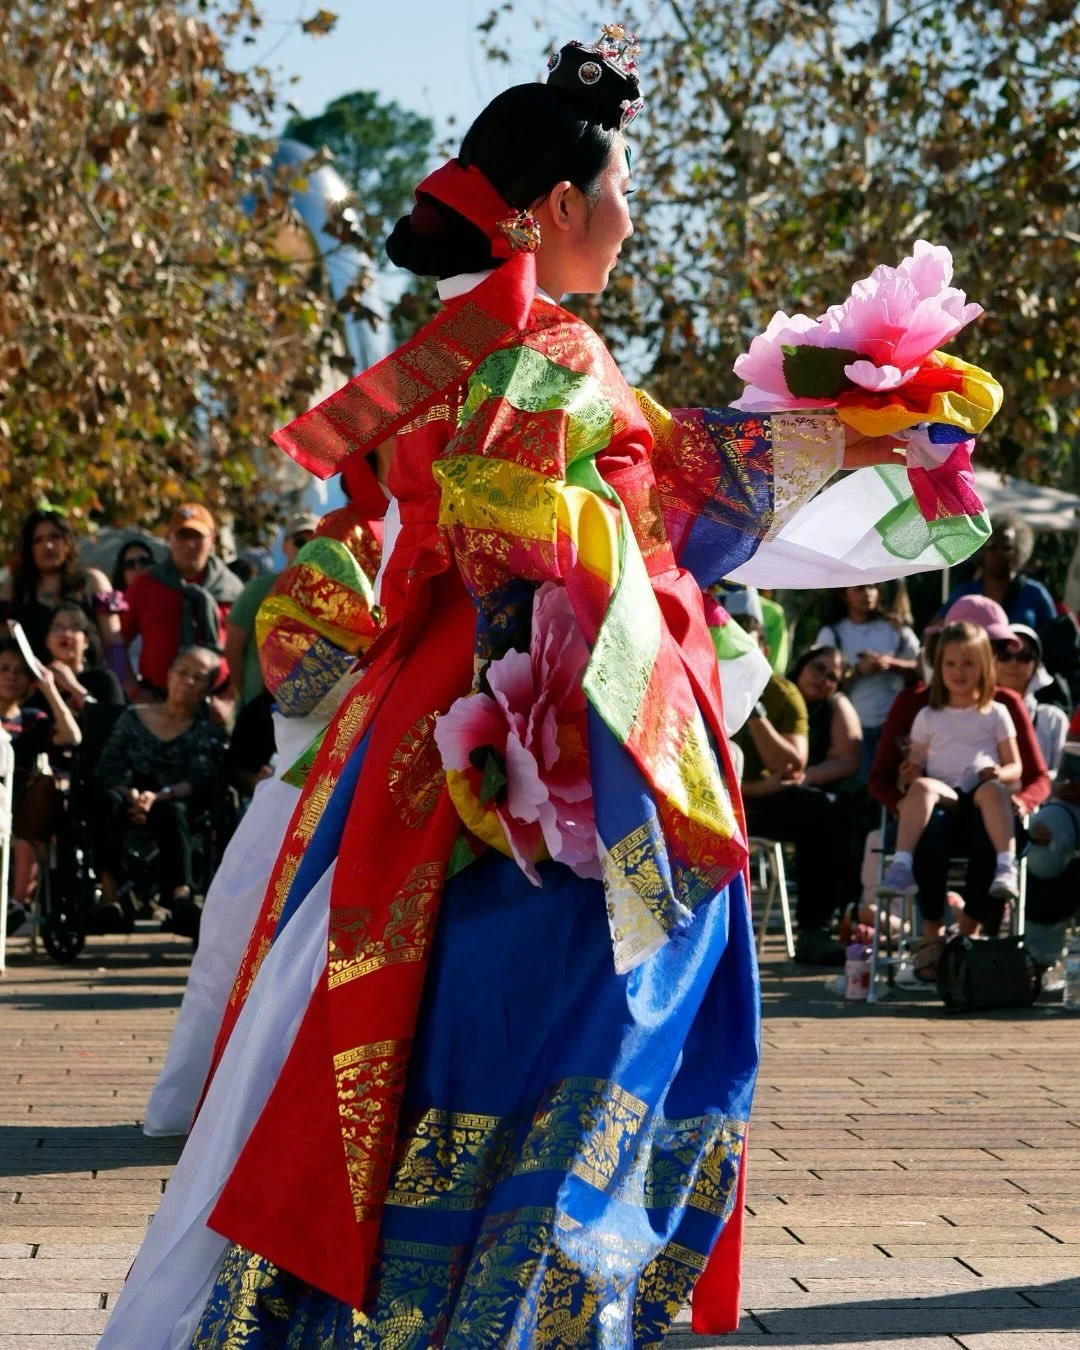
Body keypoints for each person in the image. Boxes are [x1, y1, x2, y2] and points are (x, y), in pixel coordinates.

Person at [101, 35, 996, 1349]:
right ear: (564, 207)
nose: (634, 220)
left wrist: (853, 427)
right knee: (591, 1008)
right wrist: (584, 699)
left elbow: (660, 477)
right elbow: (533, 511)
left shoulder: (497, 341)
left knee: (418, 1034)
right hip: (537, 737)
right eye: (622, 191)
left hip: (449, 728)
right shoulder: (545, 345)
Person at [142, 461, 388, 1137]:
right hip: (299, 802)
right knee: (233, 952)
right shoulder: (330, 556)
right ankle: (203, 1108)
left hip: (386, 806)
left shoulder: (445, 547)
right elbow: (298, 685)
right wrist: (392, 656)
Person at [870, 597, 1051, 981]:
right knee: (929, 832)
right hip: (936, 806)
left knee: (991, 832)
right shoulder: (918, 705)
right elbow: (882, 777)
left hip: (988, 805)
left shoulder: (1002, 704)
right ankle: (933, 937)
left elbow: (1033, 775)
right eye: (998, 648)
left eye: (990, 652)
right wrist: (904, 798)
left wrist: (1015, 799)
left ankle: (966, 938)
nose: (1004, 659)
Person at [735, 629, 856, 965]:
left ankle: (815, 930)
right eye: (819, 668)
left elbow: (792, 763)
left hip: (761, 800)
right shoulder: (695, 673)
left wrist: (754, 711)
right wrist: (760, 788)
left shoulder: (784, 695)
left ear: (765, 649)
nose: (825, 679)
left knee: (825, 812)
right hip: (712, 795)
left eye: (834, 675)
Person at [880, 620, 1022, 902]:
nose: (958, 672)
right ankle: (901, 865)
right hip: (945, 795)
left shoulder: (997, 713)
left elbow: (1015, 766)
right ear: (939, 666)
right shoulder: (928, 716)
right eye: (950, 664)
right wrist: (909, 770)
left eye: (968, 663)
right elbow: (917, 764)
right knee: (920, 786)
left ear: (983, 666)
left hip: (982, 792)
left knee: (994, 791)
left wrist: (997, 773)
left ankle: (1007, 865)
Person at [94, 647, 226, 937]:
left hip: (174, 803)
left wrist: (157, 797)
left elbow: (201, 778)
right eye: (182, 672)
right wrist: (132, 795)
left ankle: (180, 896)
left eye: (199, 677)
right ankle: (109, 895)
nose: (188, 681)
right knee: (104, 801)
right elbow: (109, 767)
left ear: (208, 687)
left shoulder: (206, 732)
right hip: (125, 798)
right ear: (169, 675)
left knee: (174, 812)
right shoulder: (133, 718)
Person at [120, 503, 242, 703]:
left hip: (216, 707)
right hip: (157, 704)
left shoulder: (232, 590)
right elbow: (115, 644)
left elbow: (252, 655)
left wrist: (230, 700)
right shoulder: (147, 585)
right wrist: (133, 689)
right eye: (182, 536)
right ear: (169, 539)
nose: (190, 545)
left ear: (212, 539)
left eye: (197, 537)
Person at [0, 638, 81, 931]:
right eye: (3, 668)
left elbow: (72, 737)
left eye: (19, 671)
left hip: (22, 811)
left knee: (28, 828)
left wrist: (49, 686)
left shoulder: (33, 720)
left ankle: (15, 907)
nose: (10, 675)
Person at [0, 509, 126, 673]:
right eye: (37, 540)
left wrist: (125, 684)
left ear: (68, 541)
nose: (48, 545)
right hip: (33, 691)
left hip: (88, 687)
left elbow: (113, 643)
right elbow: (3, 646)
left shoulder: (92, 582)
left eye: (55, 537)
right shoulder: (14, 587)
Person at [816, 583, 919, 779]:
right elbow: (821, 683)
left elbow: (922, 668)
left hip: (896, 727)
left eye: (873, 587)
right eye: (859, 589)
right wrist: (857, 671)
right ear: (843, 594)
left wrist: (890, 663)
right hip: (853, 729)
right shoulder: (832, 633)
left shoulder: (895, 628)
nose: (868, 594)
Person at [223, 513, 319, 711]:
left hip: (308, 713)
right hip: (259, 707)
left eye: (317, 542)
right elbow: (233, 644)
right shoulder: (258, 589)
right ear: (285, 546)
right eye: (301, 541)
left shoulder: (329, 597)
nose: (308, 548)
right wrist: (245, 693)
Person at [945, 512, 1057, 631]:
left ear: (1019, 550)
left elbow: (1054, 637)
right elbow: (935, 629)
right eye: (992, 547)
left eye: (1006, 548)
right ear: (981, 551)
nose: (999, 554)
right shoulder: (965, 593)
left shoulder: (1036, 594)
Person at [992, 623, 1069, 776]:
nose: (1013, 663)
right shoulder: (975, 714)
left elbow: (1062, 775)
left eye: (1024, 657)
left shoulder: (1053, 719)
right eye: (1004, 656)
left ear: (1036, 665)